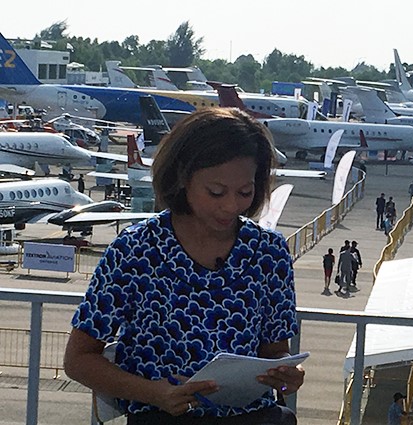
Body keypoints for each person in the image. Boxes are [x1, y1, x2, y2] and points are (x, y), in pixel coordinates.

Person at [63, 108, 304, 425]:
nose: (231, 206)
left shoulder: (269, 252)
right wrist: (153, 393)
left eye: (245, 192)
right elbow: (78, 360)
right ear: (181, 177)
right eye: (216, 192)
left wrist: (289, 377)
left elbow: (276, 353)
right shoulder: (136, 250)